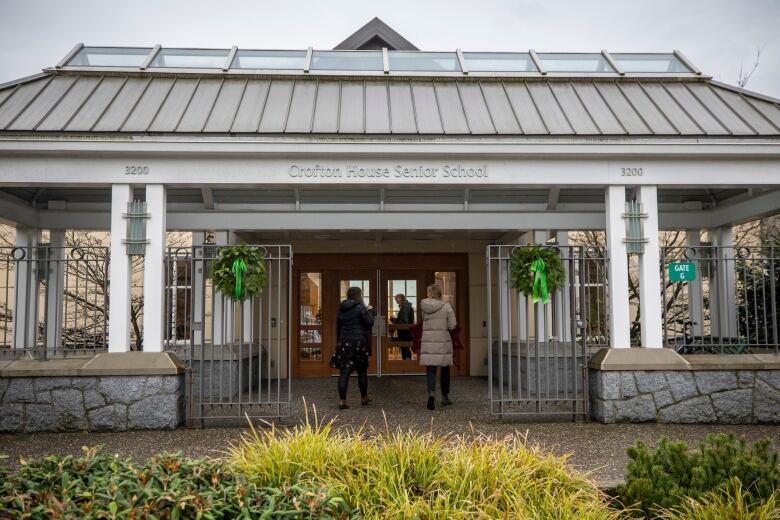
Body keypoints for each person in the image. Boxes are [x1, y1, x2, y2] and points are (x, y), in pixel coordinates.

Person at [332, 286, 374, 410]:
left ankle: (342, 400)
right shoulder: (360, 307)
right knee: (362, 371)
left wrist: (339, 341)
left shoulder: (341, 308)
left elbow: (338, 327)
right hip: (359, 343)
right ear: (358, 295)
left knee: (344, 371)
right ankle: (364, 397)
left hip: (344, 342)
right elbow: (370, 323)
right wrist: (370, 311)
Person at [419, 283, 457, 410]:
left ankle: (431, 393)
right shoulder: (446, 306)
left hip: (428, 341)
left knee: (430, 369)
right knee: (445, 369)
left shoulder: (424, 305)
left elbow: (423, 320)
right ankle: (445, 396)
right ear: (440, 293)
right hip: (443, 342)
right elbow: (452, 325)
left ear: (430, 293)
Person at [392, 293, 415, 360]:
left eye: (396, 299)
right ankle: (407, 363)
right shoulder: (407, 307)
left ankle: (406, 363)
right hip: (407, 332)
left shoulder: (405, 308)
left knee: (405, 348)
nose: (396, 301)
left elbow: (404, 321)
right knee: (406, 348)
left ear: (400, 299)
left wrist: (396, 321)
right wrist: (396, 320)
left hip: (405, 332)